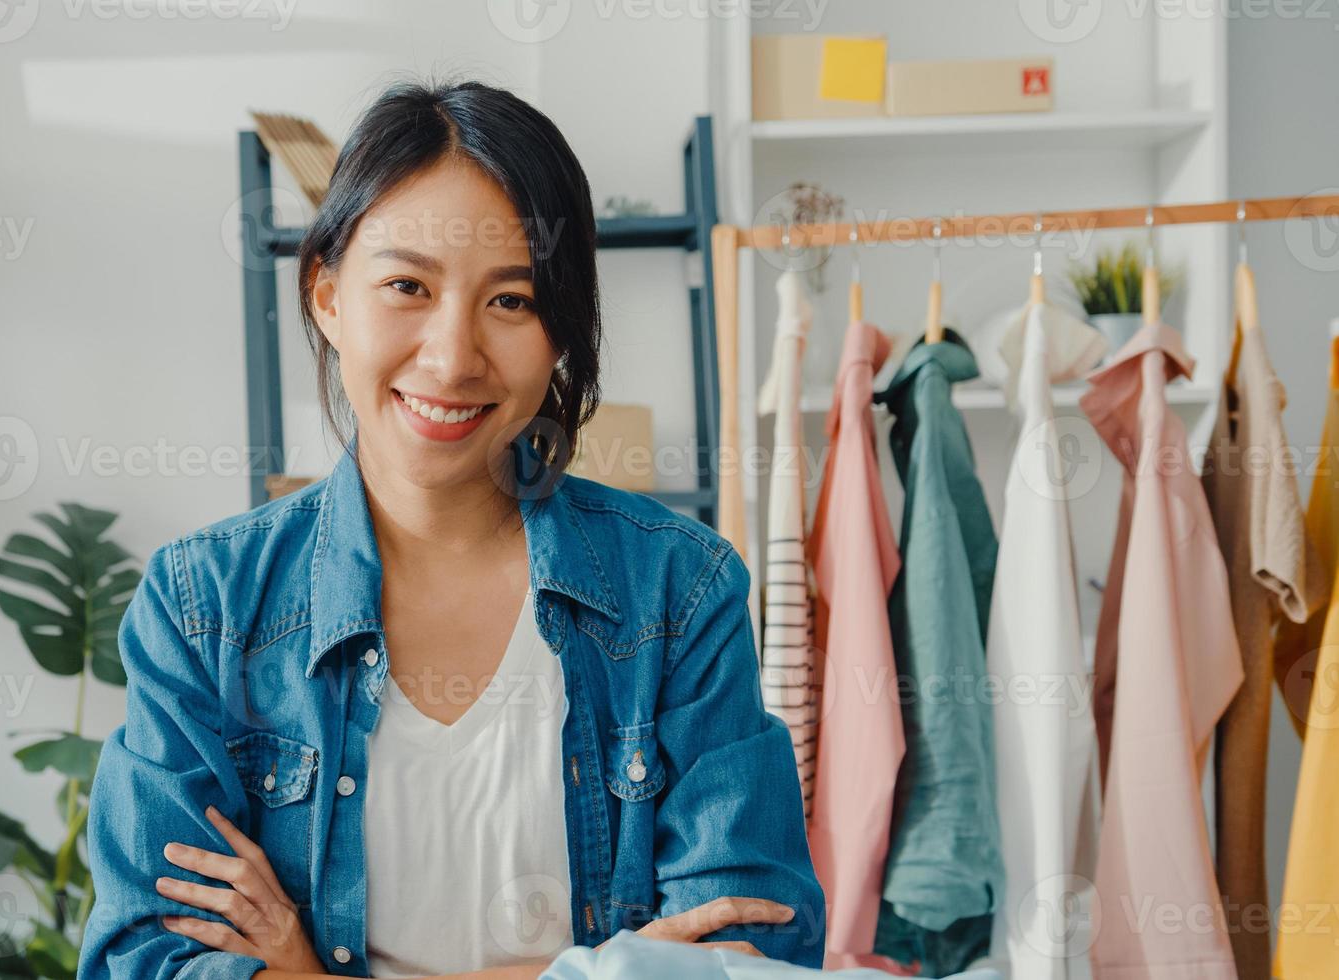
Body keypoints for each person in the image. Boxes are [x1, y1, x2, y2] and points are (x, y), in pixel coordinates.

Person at [79, 76, 824, 980]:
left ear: (559, 330)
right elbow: (144, 959)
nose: (451, 356)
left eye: (510, 300)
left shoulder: (679, 589)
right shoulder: (205, 608)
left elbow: (751, 951)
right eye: (406, 285)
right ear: (326, 295)